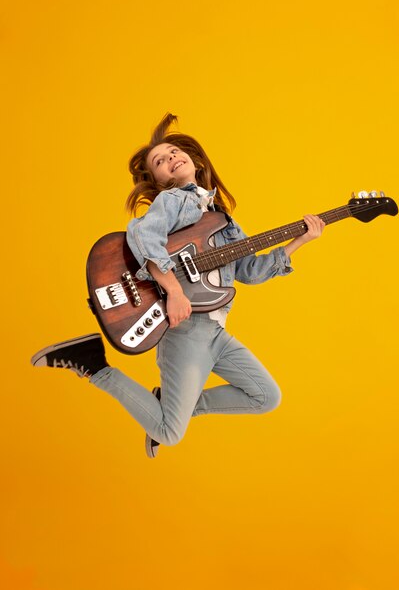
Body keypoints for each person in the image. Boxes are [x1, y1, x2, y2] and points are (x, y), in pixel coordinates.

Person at [31, 113, 325, 458]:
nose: (171, 158)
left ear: (195, 161)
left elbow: (248, 271)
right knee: (169, 433)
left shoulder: (222, 219)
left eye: (174, 152)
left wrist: (297, 243)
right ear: (156, 179)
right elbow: (143, 236)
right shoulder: (173, 201)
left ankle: (167, 405)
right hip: (186, 328)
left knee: (265, 396)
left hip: (217, 333)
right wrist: (172, 291)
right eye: (160, 160)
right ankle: (94, 365)